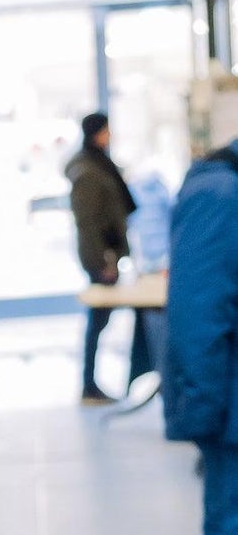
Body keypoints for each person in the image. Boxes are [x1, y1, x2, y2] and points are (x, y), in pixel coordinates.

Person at [165, 137, 238, 535]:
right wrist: (204, 408)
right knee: (231, 517)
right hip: (230, 404)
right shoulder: (218, 194)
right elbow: (197, 312)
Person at [66, 111, 150, 403]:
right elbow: (88, 223)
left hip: (107, 255)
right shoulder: (88, 171)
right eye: (106, 130)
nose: (110, 135)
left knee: (100, 320)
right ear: (96, 133)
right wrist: (103, 261)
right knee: (98, 320)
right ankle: (89, 385)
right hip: (101, 259)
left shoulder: (98, 164)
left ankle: (90, 384)